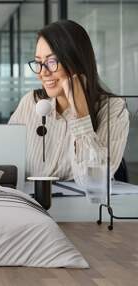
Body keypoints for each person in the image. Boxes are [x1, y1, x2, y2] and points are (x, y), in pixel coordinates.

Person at [9, 20, 129, 189]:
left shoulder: (113, 108)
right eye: (38, 63)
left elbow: (93, 183)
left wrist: (81, 115)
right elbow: (6, 162)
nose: (43, 72)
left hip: (83, 211)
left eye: (52, 62)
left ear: (76, 62)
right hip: (30, 206)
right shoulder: (31, 101)